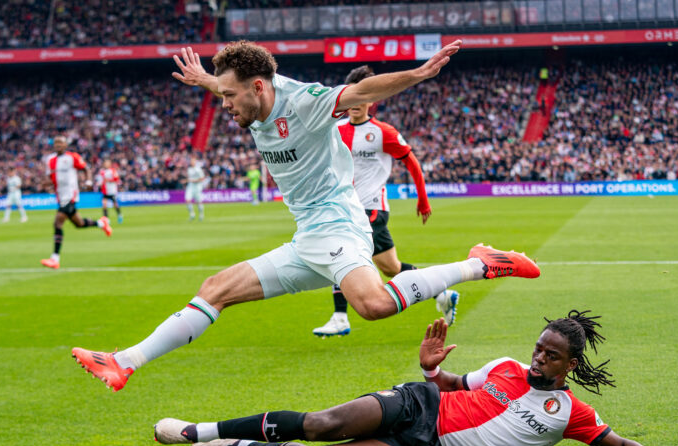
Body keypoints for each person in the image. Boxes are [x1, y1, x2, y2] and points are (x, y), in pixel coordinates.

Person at [71, 40, 540, 392]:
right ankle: (124, 362)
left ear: (258, 87)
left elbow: (361, 89)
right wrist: (205, 80)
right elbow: (223, 83)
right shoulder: (250, 100)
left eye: (230, 95)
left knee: (373, 305)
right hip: (307, 237)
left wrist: (418, 73)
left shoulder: (304, 102)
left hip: (339, 224)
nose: (225, 104)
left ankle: (482, 262)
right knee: (215, 289)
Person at [153, 312, 678, 446]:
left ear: (571, 365)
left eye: (551, 355)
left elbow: (618, 445)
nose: (538, 358)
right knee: (320, 423)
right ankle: (199, 431)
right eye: (538, 348)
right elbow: (448, 384)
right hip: (420, 404)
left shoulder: (569, 413)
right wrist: (430, 369)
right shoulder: (505, 367)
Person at [312, 65, 457, 338]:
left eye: (362, 97)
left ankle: (340, 316)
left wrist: (423, 200)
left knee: (340, 253)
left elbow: (411, 162)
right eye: (351, 97)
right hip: (343, 206)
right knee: (391, 267)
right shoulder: (336, 129)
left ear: (371, 100)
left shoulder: (383, 132)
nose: (356, 104)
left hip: (371, 208)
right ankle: (442, 292)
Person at [40, 136, 111, 270]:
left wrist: (89, 182)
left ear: (66, 145)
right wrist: (46, 184)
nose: (58, 145)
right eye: (56, 143)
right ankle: (102, 223)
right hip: (60, 196)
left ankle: (55, 258)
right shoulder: (50, 160)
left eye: (60, 142)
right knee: (79, 223)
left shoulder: (72, 157)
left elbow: (86, 169)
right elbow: (53, 178)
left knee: (58, 222)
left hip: (70, 195)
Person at [97, 158, 123, 224]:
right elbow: (100, 180)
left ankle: (119, 215)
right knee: (104, 204)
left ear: (110, 164)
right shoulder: (102, 171)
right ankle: (106, 219)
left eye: (107, 163)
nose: (106, 164)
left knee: (115, 205)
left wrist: (109, 180)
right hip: (105, 191)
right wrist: (99, 183)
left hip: (112, 191)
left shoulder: (113, 171)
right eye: (105, 163)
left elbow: (116, 179)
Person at [184, 153, 207, 221]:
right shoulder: (189, 169)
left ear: (195, 162)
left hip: (197, 187)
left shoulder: (198, 169)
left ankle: (201, 214)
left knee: (199, 202)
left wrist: (194, 180)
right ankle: (192, 214)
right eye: (191, 161)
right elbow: (189, 178)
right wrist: (187, 181)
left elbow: (202, 178)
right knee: (188, 200)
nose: (191, 162)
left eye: (193, 161)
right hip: (190, 186)